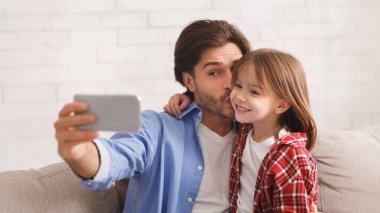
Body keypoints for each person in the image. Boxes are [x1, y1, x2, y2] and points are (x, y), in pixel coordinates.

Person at [53, 19, 251, 213]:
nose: (230, 83)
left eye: (236, 69)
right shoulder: (156, 128)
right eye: (214, 73)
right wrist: (80, 153)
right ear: (190, 81)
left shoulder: (256, 133)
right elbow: (115, 158)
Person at [166, 49, 318, 212]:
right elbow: (211, 108)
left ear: (281, 105)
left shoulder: (289, 156)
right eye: (238, 85)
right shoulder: (245, 130)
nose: (239, 96)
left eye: (254, 92)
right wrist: (189, 97)